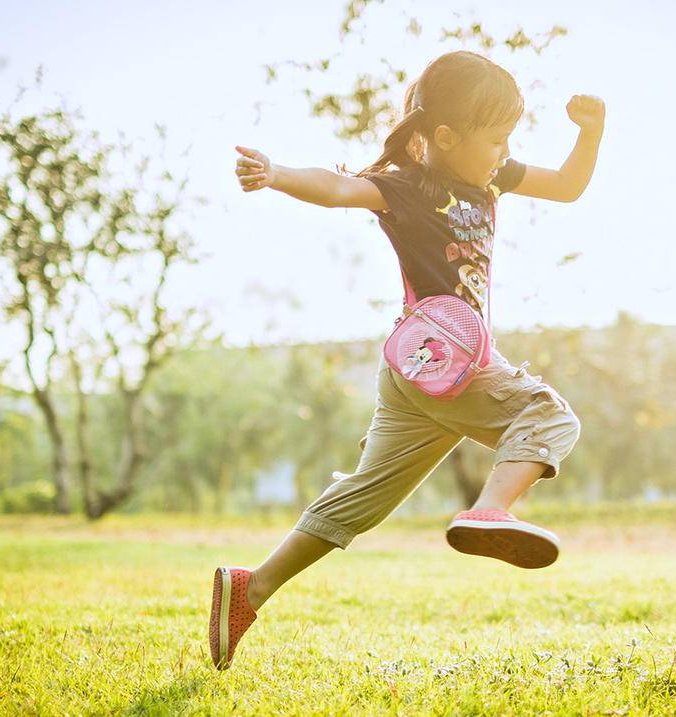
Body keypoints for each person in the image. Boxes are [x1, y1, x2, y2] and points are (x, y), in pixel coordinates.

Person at [211, 50, 604, 670]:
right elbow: (340, 188)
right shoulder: (406, 187)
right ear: (445, 136)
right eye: (497, 138)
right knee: (551, 419)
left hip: (414, 373)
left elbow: (568, 185)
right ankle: (489, 510)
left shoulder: (490, 177)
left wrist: (590, 134)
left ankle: (249, 588)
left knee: (362, 498)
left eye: (510, 138)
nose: (506, 150)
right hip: (446, 363)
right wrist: (277, 172)